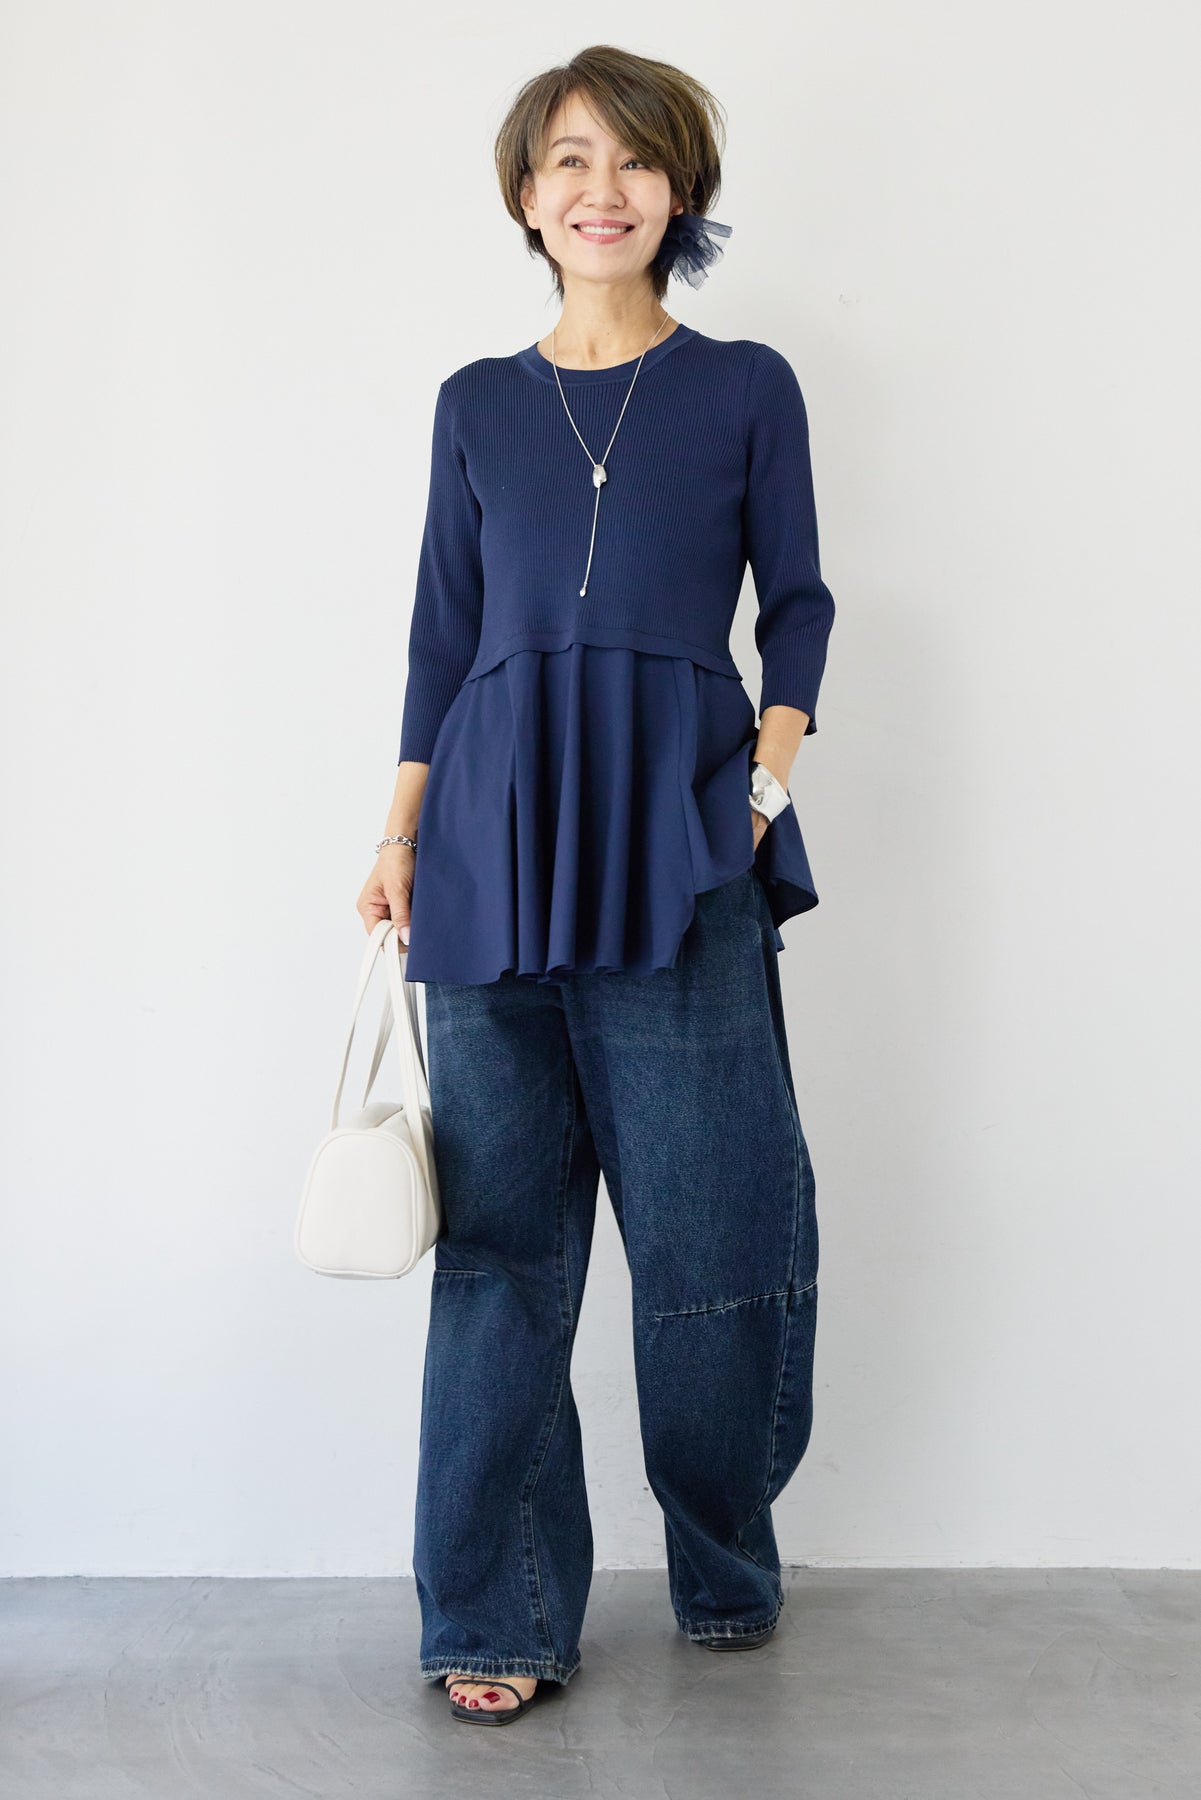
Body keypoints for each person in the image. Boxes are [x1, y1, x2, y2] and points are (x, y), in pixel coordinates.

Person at [357, 44, 836, 1728]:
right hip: (487, 849)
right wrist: (399, 834)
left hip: (682, 836)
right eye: (568, 159)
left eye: (633, 159)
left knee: (713, 1235)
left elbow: (798, 604)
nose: (600, 188)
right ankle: (494, 1609)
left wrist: (764, 776)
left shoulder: (745, 385)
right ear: (525, 194)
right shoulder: (475, 404)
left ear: (677, 190)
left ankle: (723, 1557)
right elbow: (440, 640)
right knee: (500, 1254)